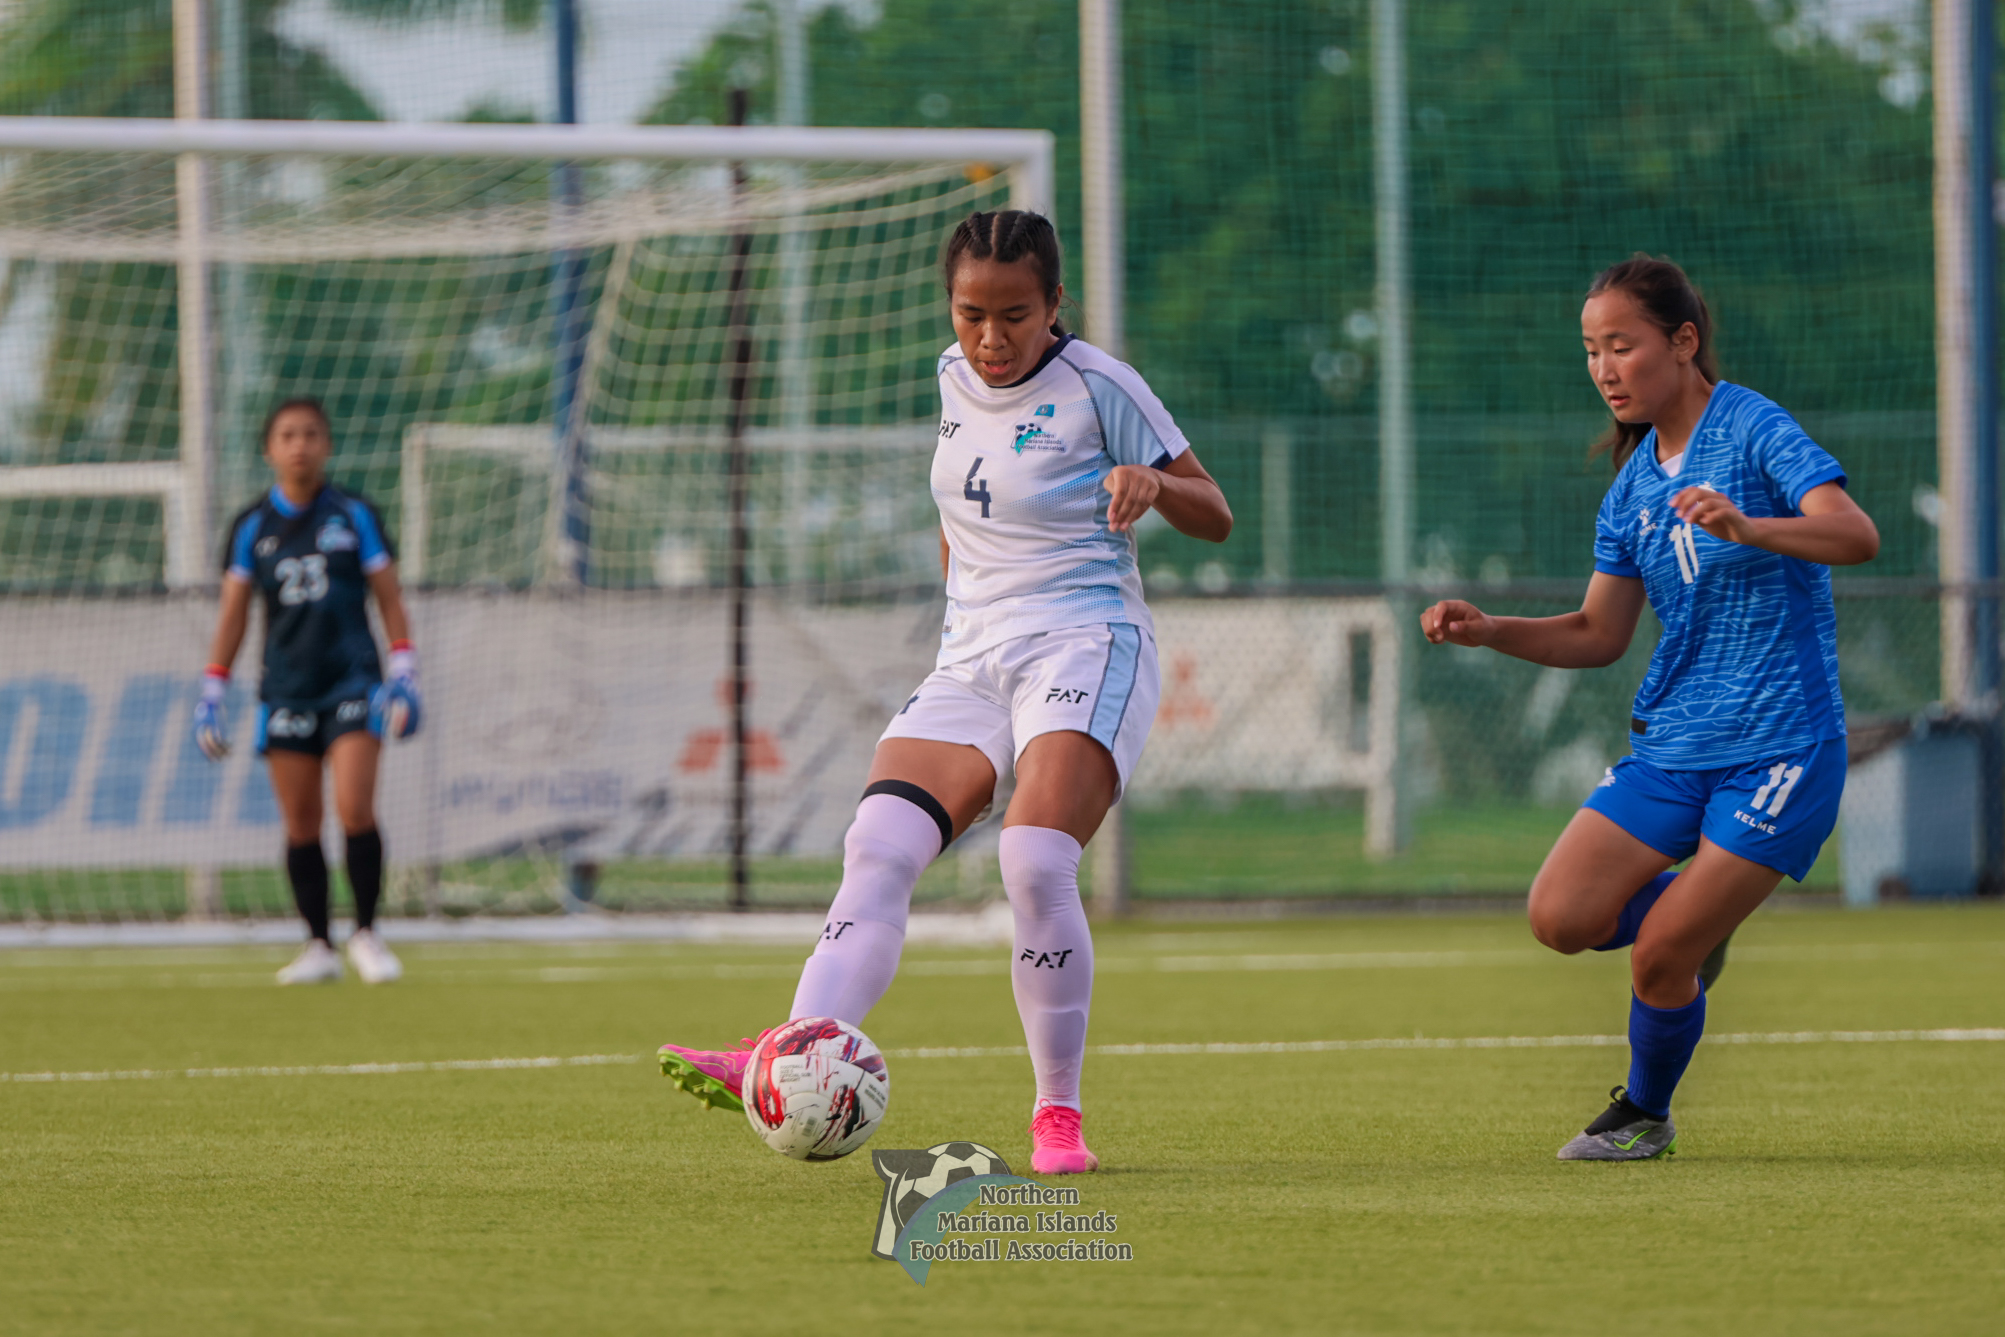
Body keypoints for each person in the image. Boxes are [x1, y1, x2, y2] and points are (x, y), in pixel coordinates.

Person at [656, 210, 1233, 1173]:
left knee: (1033, 861)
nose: (992, 338)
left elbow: (1213, 510)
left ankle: (1057, 1116)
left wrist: (1152, 485)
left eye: (1016, 315)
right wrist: (962, 612)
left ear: (1056, 304)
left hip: (1084, 641)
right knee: (877, 845)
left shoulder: (1101, 385)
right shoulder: (949, 378)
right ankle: (790, 1049)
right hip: (971, 655)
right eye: (972, 314)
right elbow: (961, 515)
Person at [1422, 256, 1879, 1160]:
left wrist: (1751, 525)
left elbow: (1853, 533)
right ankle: (1691, 920)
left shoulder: (1750, 425)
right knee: (1559, 916)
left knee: (1658, 956)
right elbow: (1597, 632)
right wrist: (1489, 629)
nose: (1603, 368)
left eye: (1620, 345)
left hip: (1780, 749)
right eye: (1591, 350)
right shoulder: (1630, 489)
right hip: (1675, 746)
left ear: (1682, 341)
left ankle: (1643, 1112)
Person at [194, 398, 423, 985]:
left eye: (312, 434)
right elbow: (234, 615)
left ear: (327, 445)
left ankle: (367, 935)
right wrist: (212, 690)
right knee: (301, 823)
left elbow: (389, 596)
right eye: (288, 435)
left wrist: (403, 670)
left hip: (354, 683)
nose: (300, 445)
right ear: (269, 449)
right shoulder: (252, 527)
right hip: (288, 690)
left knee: (355, 807)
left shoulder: (354, 514)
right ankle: (319, 945)